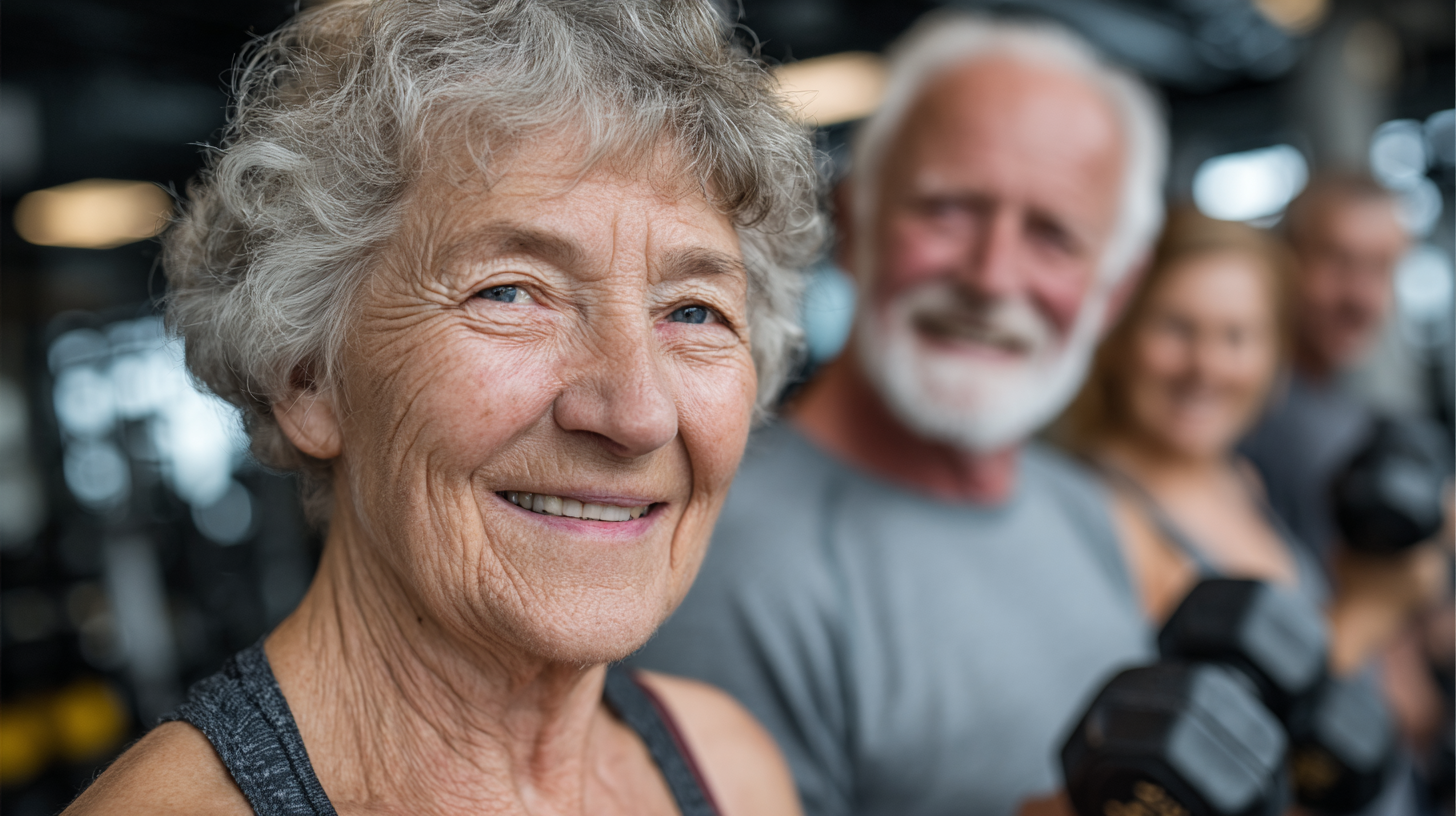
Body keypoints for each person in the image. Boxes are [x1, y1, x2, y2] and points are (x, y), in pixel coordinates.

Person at [64, 1, 823, 814]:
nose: (637, 414)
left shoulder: (730, 771)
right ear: (306, 378)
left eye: (694, 311)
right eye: (510, 292)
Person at [631, 14, 1168, 816]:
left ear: (1114, 289)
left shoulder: (1086, 511)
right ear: (854, 219)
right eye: (947, 209)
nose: (991, 277)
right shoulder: (721, 560)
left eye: (1052, 235)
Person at [1239, 173, 1411, 560]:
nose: (1361, 297)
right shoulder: (1241, 414)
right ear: (1282, 260)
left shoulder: (1351, 415)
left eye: (1380, 268)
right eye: (1338, 261)